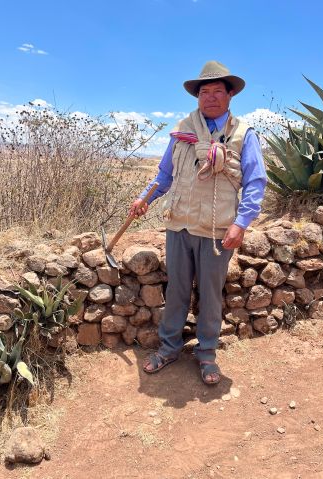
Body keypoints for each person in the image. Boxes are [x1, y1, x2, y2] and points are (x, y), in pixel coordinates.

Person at [130, 60, 267, 385]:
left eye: (218, 91)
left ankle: (207, 354)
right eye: (205, 91)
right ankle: (169, 348)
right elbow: (165, 173)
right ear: (197, 96)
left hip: (218, 230)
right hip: (179, 224)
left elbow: (256, 181)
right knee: (176, 290)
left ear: (230, 94)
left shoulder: (242, 135)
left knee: (210, 293)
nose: (210, 97)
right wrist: (144, 198)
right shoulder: (182, 130)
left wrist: (241, 222)